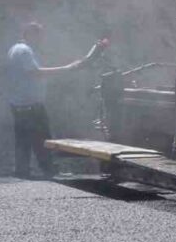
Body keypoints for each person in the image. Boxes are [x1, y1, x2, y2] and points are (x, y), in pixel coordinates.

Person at [6, 22, 105, 179]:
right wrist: (65, 69)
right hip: (30, 105)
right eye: (39, 36)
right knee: (42, 138)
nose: (41, 40)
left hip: (20, 104)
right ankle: (48, 171)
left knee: (23, 140)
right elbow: (35, 72)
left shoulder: (15, 48)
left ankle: (22, 171)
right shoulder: (24, 50)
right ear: (30, 34)